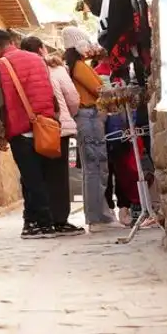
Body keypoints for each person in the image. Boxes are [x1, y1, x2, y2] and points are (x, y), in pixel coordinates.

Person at [0, 30, 78, 238]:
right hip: (45, 125)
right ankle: (32, 223)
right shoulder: (38, 60)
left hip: (19, 128)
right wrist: (52, 118)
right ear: (12, 42)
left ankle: (44, 224)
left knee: (32, 179)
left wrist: (0, 134)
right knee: (43, 176)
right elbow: (52, 95)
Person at [28, 37, 80, 232]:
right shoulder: (56, 69)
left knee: (42, 175)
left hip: (37, 130)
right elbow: (73, 97)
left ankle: (44, 218)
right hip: (60, 129)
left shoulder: (28, 73)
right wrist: (69, 115)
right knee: (59, 175)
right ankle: (60, 219)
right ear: (42, 49)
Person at [65, 44, 113, 226]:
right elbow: (98, 88)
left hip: (88, 117)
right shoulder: (79, 67)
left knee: (94, 167)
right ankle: (98, 216)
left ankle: (97, 214)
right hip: (89, 116)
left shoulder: (77, 66)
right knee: (96, 165)